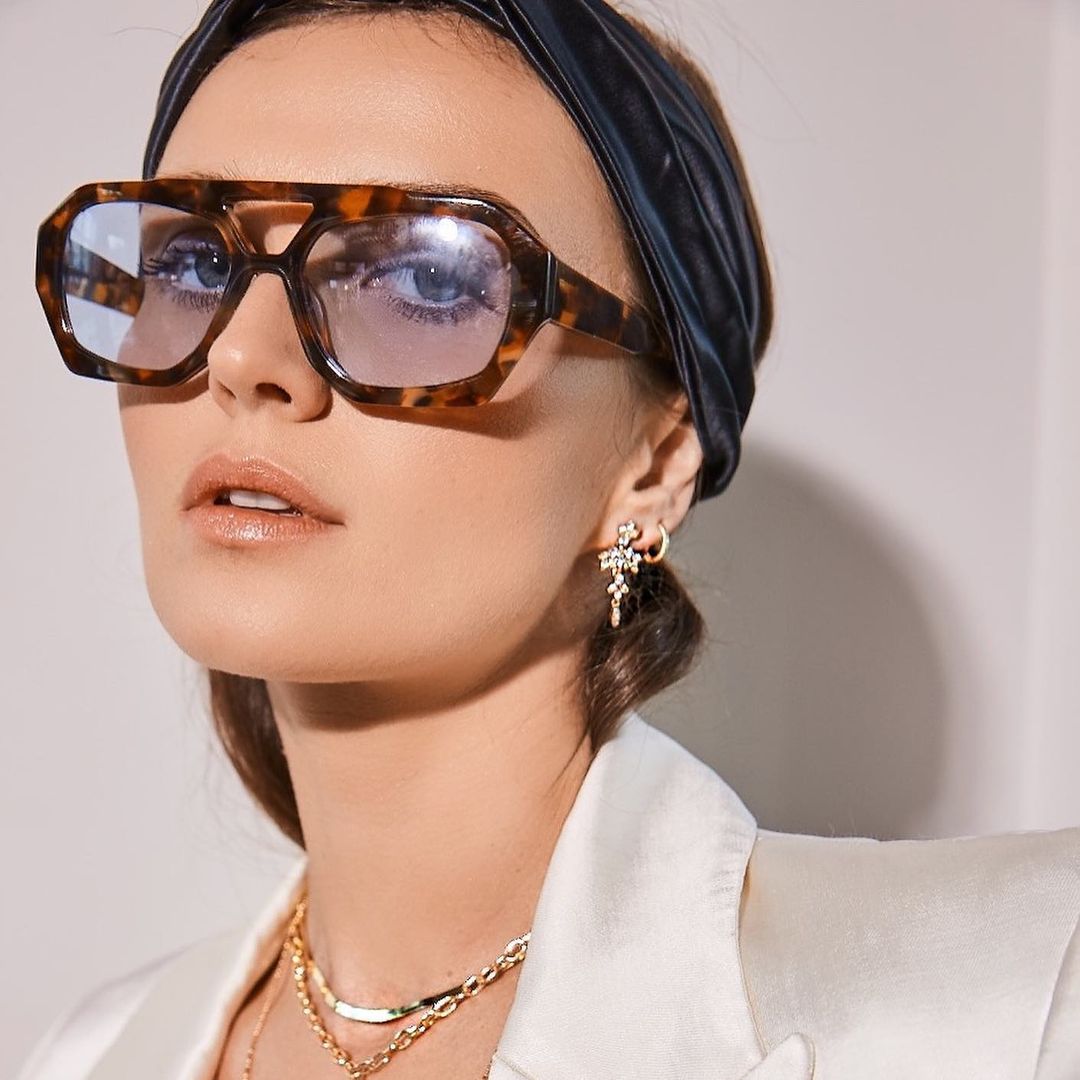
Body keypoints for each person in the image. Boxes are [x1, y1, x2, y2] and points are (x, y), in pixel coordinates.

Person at [19, 2, 1080, 1078]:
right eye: (189, 265)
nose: (243, 357)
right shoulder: (90, 1054)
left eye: (427, 281)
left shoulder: (1021, 990)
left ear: (653, 464)